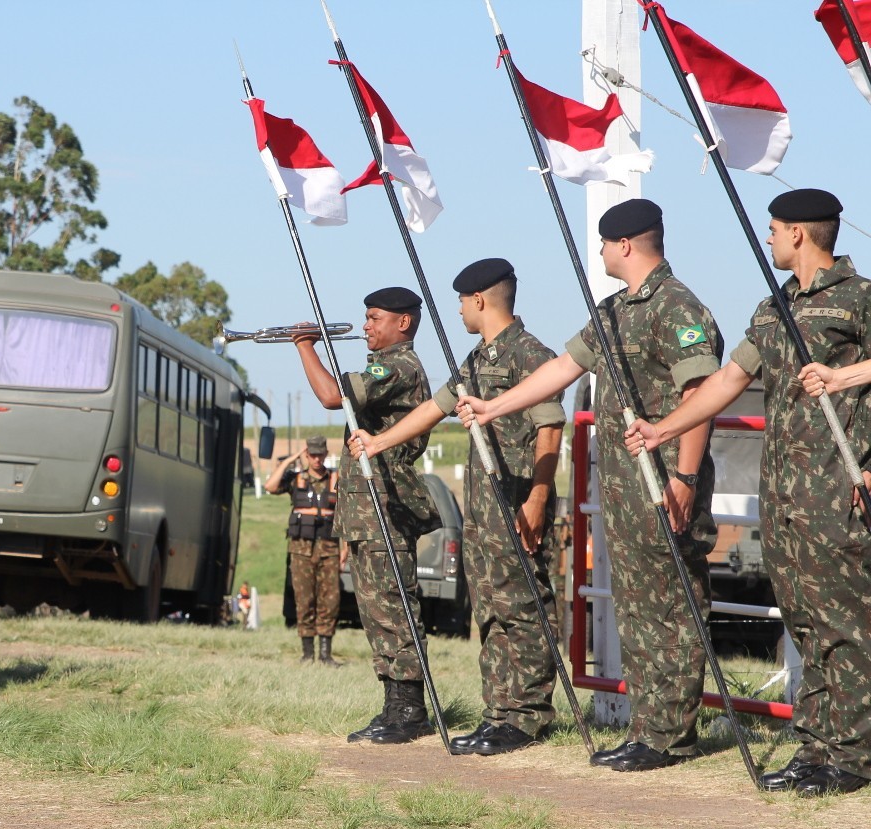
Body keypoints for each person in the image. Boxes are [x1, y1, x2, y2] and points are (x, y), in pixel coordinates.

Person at [458, 200, 722, 772]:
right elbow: (558, 371)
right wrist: (493, 405)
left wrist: (684, 477)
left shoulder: (675, 306)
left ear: (625, 245)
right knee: (638, 609)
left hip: (664, 485)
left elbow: (700, 396)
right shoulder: (611, 312)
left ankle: (670, 737)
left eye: (604, 244)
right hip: (627, 491)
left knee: (671, 607)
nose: (599, 253)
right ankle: (649, 728)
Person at [628, 188, 871, 797]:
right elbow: (728, 381)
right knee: (806, 621)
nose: (767, 238)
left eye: (773, 229)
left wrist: (845, 375)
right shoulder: (773, 309)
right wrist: (664, 427)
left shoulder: (860, 299)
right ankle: (818, 748)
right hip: (785, 496)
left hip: (840, 489)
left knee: (847, 623)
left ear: (798, 234)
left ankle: (854, 753)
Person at [350, 258, 565, 756]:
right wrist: (380, 443)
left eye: (463, 303)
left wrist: (537, 497)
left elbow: (550, 427)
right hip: (485, 509)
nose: (460, 312)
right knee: (490, 608)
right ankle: (498, 712)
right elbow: (434, 408)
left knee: (522, 606)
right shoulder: (475, 358)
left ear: (480, 300)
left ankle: (526, 714)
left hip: (516, 501)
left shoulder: (531, 355)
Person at [291, 287, 441, 744]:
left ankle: (408, 710)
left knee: (392, 604)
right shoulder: (390, 362)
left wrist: (305, 346)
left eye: (375, 318)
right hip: (368, 505)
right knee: (377, 609)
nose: (366, 326)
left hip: (386, 502)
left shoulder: (397, 365)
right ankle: (397, 705)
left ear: (404, 323)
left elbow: (333, 396)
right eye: (366, 317)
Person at [264, 435, 343, 666]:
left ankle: (326, 654)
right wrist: (290, 460)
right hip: (300, 551)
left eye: (320, 454)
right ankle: (307, 654)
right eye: (312, 454)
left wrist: (345, 549)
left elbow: (343, 518)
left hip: (329, 549)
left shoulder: (336, 479)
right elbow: (269, 486)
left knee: (330, 601)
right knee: (304, 599)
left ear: (326, 454)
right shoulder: (295, 479)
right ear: (307, 455)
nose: (317, 459)